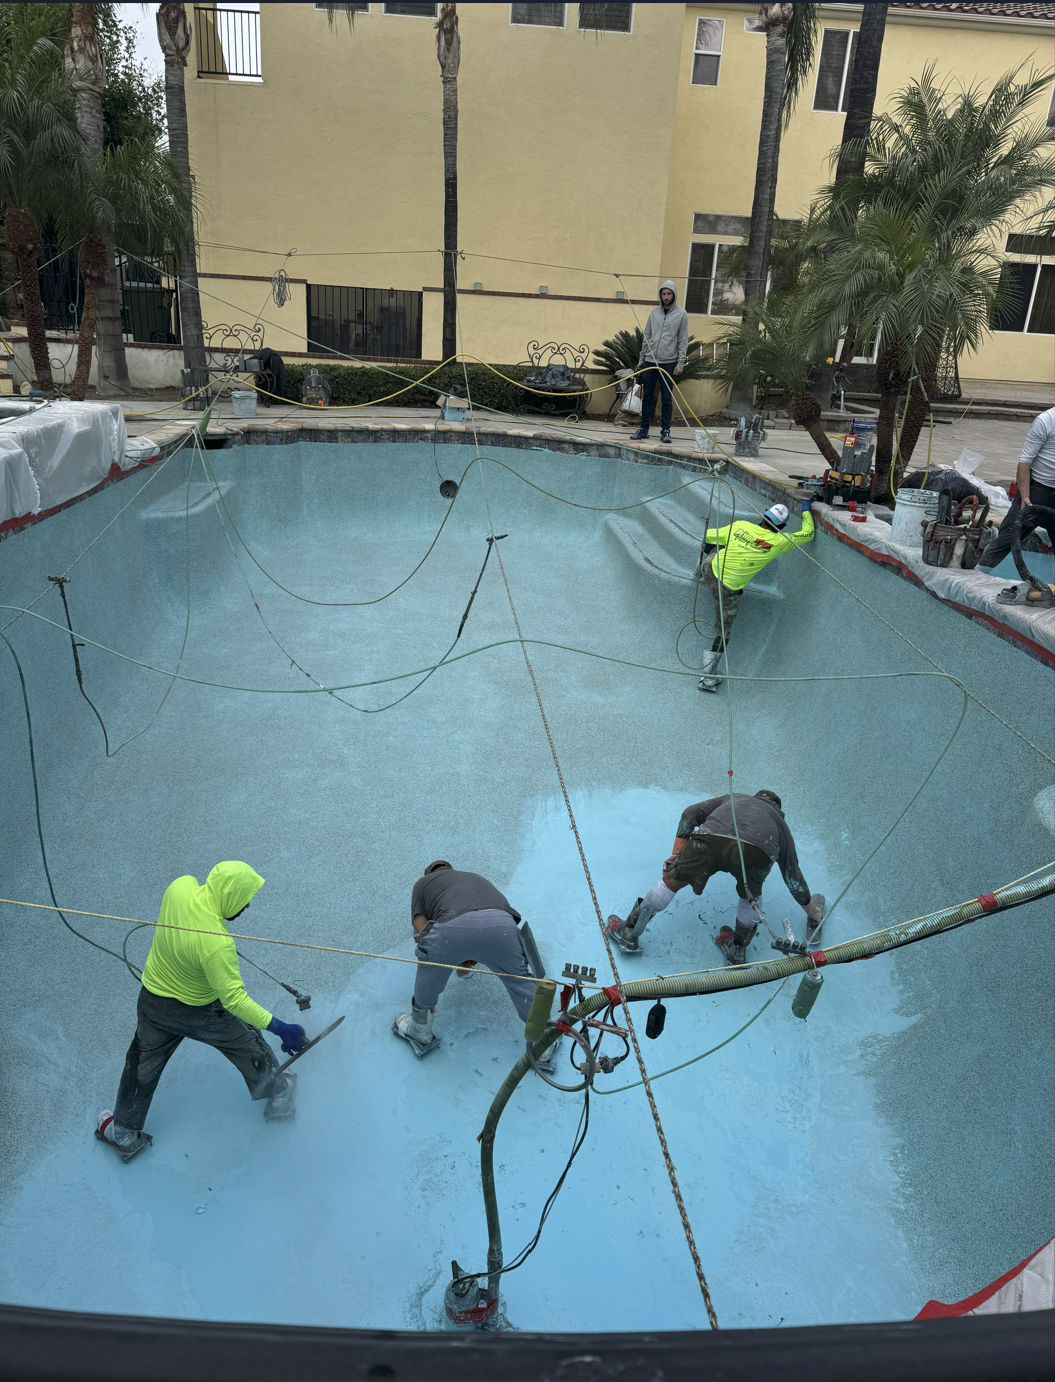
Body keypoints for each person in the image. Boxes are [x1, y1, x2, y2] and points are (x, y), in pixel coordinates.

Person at [95, 861, 306, 1163]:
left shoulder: (179, 886)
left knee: (141, 1063)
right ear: (230, 894)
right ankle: (280, 1096)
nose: (247, 904)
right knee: (246, 1043)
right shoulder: (217, 944)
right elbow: (234, 1000)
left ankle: (124, 1132)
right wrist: (281, 1027)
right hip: (200, 1011)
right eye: (244, 897)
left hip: (153, 1001)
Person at [607, 791, 824, 963]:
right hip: (758, 851)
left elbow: (689, 814)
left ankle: (629, 930)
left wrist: (676, 855)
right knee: (751, 894)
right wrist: (814, 913)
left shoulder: (734, 797)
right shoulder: (780, 825)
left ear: (754, 797)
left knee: (674, 879)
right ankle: (737, 949)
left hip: (710, 839)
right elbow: (793, 879)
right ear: (779, 810)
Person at [393, 860, 537, 1059]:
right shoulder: (474, 877)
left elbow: (420, 924)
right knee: (520, 980)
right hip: (502, 926)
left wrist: (446, 955)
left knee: (430, 966)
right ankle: (542, 1042)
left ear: (429, 874)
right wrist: (471, 952)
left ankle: (419, 1030)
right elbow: (485, 926)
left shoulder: (423, 883)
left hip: (452, 929)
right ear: (452, 871)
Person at [696, 500, 815, 691]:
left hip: (708, 569)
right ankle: (708, 679)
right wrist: (806, 509)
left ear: (763, 516)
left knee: (717, 547)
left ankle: (697, 572)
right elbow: (808, 533)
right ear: (782, 527)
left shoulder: (741, 526)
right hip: (726, 590)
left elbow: (708, 536)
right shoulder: (779, 542)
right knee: (723, 633)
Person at [978, 405, 1055, 570]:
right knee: (1006, 540)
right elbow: (1024, 462)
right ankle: (973, 581)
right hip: (1037, 494)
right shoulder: (1046, 420)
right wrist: (1025, 497)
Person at [630, 280, 688, 446]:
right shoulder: (654, 312)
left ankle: (665, 431)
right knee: (647, 396)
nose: (666, 297)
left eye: (669, 294)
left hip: (669, 363)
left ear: (674, 295)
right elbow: (647, 336)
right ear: (660, 295)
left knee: (667, 398)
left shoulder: (681, 314)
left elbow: (683, 341)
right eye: (663, 294)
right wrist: (641, 360)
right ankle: (644, 429)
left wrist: (680, 363)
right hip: (650, 361)